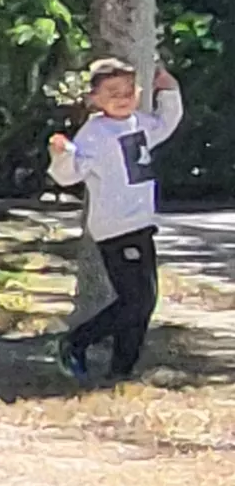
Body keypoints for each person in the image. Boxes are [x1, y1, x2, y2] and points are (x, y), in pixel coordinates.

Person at [46, 57, 184, 380]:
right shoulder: (95, 132)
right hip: (115, 229)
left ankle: (121, 371)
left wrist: (169, 88)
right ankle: (75, 342)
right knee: (137, 301)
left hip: (141, 226)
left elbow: (167, 122)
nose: (122, 98)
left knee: (144, 303)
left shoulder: (140, 123)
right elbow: (69, 174)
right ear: (94, 98)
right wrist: (62, 154)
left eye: (127, 91)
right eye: (112, 92)